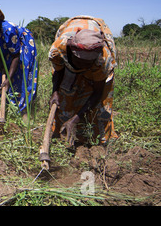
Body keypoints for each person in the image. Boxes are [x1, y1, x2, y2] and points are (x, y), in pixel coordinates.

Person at [48, 15, 118, 147]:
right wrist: (55, 92)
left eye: (87, 62)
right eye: (79, 60)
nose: (83, 66)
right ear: (72, 52)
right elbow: (58, 70)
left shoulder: (103, 60)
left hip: (97, 68)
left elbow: (98, 92)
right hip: (69, 52)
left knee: (101, 106)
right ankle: (59, 133)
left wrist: (75, 119)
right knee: (65, 96)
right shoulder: (59, 49)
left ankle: (97, 141)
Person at [0, 6, 38, 124]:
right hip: (3, 49)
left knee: (22, 75)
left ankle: (23, 110)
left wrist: (9, 78)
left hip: (22, 45)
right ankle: (0, 105)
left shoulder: (9, 30)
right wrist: (2, 63)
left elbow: (16, 56)